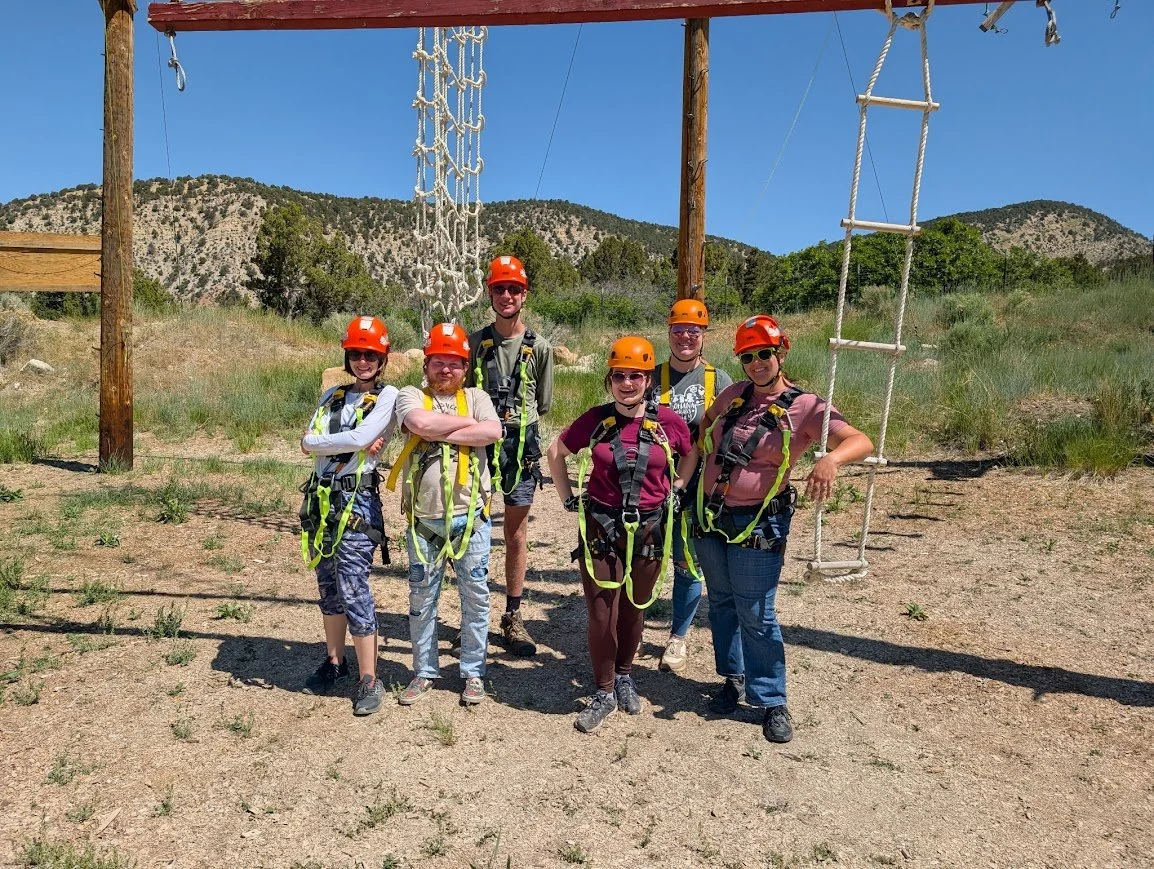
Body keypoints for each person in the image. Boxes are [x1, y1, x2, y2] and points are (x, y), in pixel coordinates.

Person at [694, 315, 873, 743]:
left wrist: (830, 459)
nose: (757, 363)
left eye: (764, 354)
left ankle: (772, 699)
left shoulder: (806, 406)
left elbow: (859, 440)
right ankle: (733, 680)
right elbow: (704, 427)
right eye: (748, 356)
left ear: (781, 353)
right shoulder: (734, 395)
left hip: (759, 520)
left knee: (756, 612)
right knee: (720, 602)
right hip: (712, 516)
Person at [547, 337, 697, 734]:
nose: (627, 383)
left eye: (635, 376)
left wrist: (678, 486)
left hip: (649, 525)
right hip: (601, 523)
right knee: (601, 611)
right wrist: (568, 499)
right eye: (619, 376)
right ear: (609, 380)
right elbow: (556, 451)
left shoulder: (669, 422)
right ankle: (604, 690)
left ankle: (626, 676)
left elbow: (692, 451)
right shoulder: (595, 420)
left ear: (648, 380)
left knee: (635, 605)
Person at [388, 322, 502, 706]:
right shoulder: (409, 396)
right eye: (439, 362)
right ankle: (424, 669)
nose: (446, 370)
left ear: (465, 367)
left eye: (454, 363)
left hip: (471, 520)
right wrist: (467, 427)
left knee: (476, 599)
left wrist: (442, 431)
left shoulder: (477, 397)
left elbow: (493, 432)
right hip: (425, 521)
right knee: (422, 601)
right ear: (427, 363)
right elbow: (418, 423)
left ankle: (472, 672)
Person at [299, 315, 399, 716]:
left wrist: (324, 443)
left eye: (371, 355)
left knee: (354, 584)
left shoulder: (388, 396)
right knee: (329, 584)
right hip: (322, 500)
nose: (363, 362)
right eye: (357, 354)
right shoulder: (332, 397)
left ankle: (369, 677)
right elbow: (308, 440)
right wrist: (338, 444)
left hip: (356, 501)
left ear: (382, 358)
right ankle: (335, 662)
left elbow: (338, 439)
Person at [468, 255, 554, 657]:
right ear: (490, 293)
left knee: (515, 534)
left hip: (522, 447)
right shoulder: (473, 343)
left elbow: (544, 402)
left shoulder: (541, 348)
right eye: (499, 289)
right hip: (481, 446)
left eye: (513, 289)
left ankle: (513, 615)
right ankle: (474, 614)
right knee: (472, 530)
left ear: (524, 295)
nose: (506, 296)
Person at [652, 299, 733, 675]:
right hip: (651, 484)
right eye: (679, 330)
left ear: (703, 336)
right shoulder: (649, 377)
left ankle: (678, 636)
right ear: (669, 333)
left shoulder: (720, 381)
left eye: (693, 331)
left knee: (687, 562)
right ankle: (632, 624)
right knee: (645, 558)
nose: (686, 337)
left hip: (698, 488)